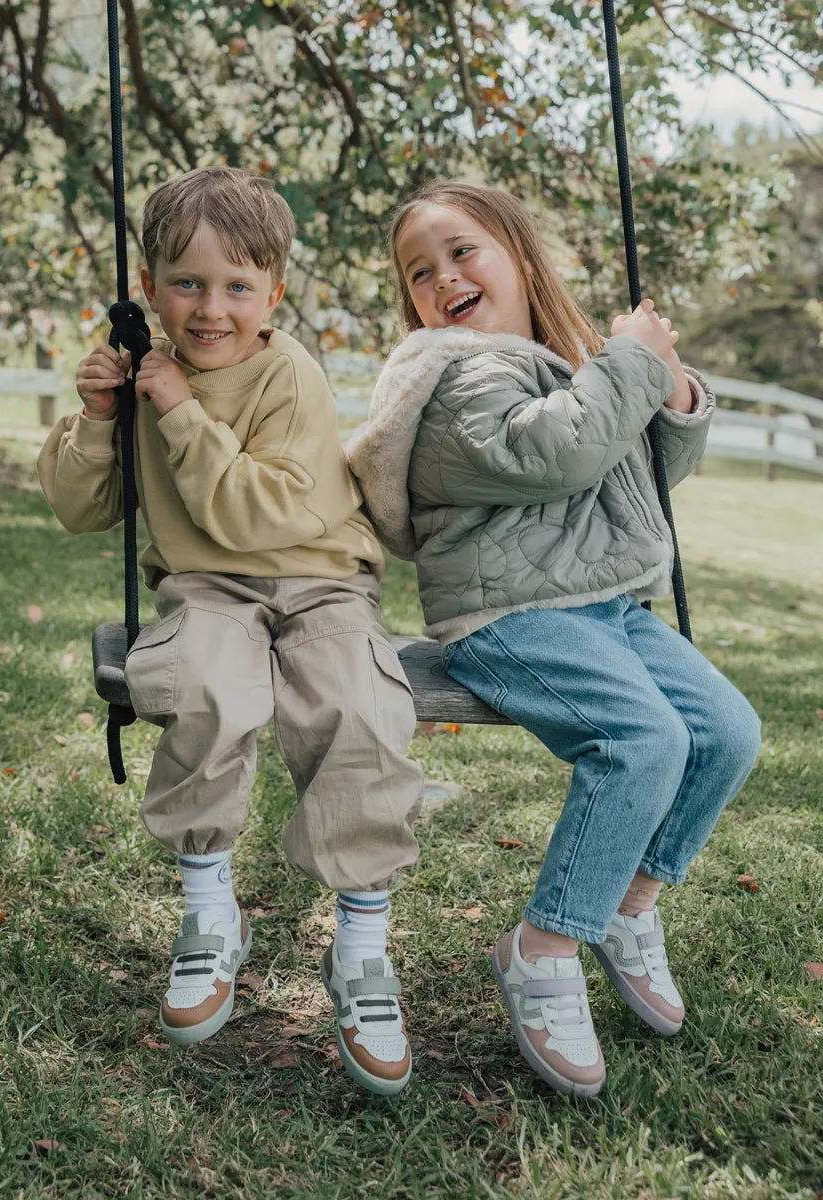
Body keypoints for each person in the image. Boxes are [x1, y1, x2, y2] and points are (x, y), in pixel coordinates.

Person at [347, 180, 761, 1097]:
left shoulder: (560, 357)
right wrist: (627, 364)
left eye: (462, 251)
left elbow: (643, 466)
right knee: (641, 742)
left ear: (517, 251)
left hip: (604, 604)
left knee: (728, 732)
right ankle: (544, 946)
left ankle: (630, 903)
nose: (443, 277)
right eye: (420, 270)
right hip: (506, 614)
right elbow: (556, 453)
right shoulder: (449, 373)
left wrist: (674, 388)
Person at [38, 166, 424, 1096]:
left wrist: (175, 409)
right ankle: (212, 916)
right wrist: (100, 420)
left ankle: (361, 948)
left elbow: (265, 514)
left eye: (238, 287)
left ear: (273, 294)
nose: (212, 308)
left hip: (320, 580)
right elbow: (84, 510)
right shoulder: (139, 375)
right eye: (188, 284)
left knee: (359, 709)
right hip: (207, 589)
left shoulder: (286, 371)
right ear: (150, 289)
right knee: (203, 686)